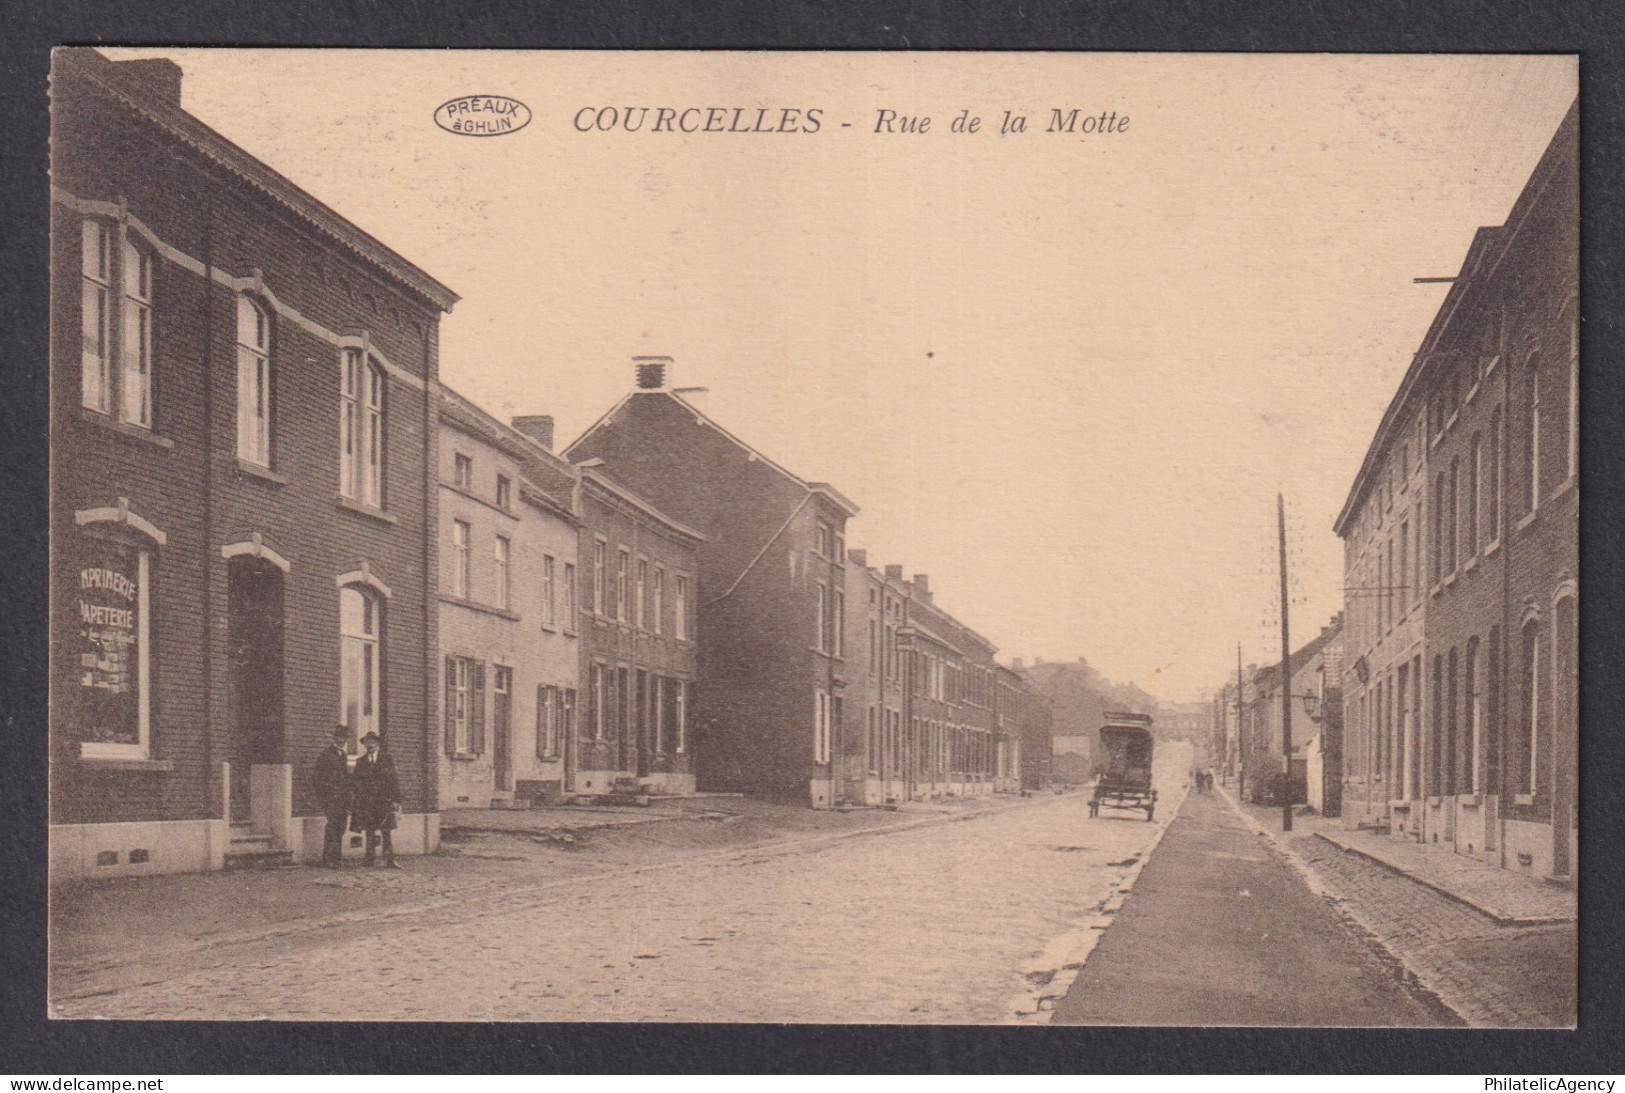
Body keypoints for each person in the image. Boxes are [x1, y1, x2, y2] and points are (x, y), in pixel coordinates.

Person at [350, 731, 401, 868]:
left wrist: (396, 800)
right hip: (368, 802)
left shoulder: (387, 759)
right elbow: (355, 781)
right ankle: (369, 858)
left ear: (378, 744)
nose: (370, 745)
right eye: (367, 742)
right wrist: (360, 793)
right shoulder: (360, 761)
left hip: (384, 801)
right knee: (369, 830)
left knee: (386, 830)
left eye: (373, 742)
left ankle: (390, 859)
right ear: (365, 745)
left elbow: (393, 780)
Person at [312, 725, 352, 867]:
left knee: (341, 827)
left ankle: (336, 858)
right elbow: (317, 778)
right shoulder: (326, 754)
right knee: (333, 826)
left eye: (344, 738)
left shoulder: (344, 755)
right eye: (339, 737)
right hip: (330, 798)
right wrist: (326, 795)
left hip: (342, 798)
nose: (342, 740)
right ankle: (328, 858)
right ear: (334, 738)